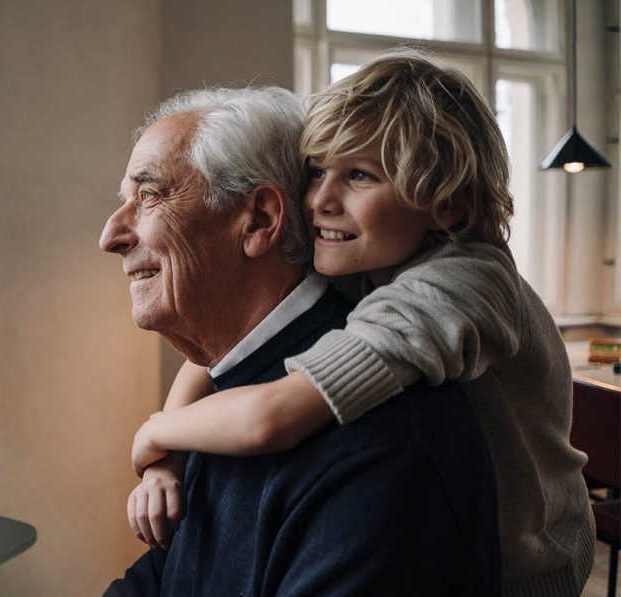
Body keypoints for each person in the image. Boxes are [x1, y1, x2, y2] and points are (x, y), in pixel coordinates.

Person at [127, 52, 595, 596]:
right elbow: (207, 364)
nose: (322, 200)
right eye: (317, 171)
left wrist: (152, 433)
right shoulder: (368, 261)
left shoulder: (458, 288)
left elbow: (271, 416)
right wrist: (167, 464)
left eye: (360, 175)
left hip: (524, 564)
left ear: (449, 206)